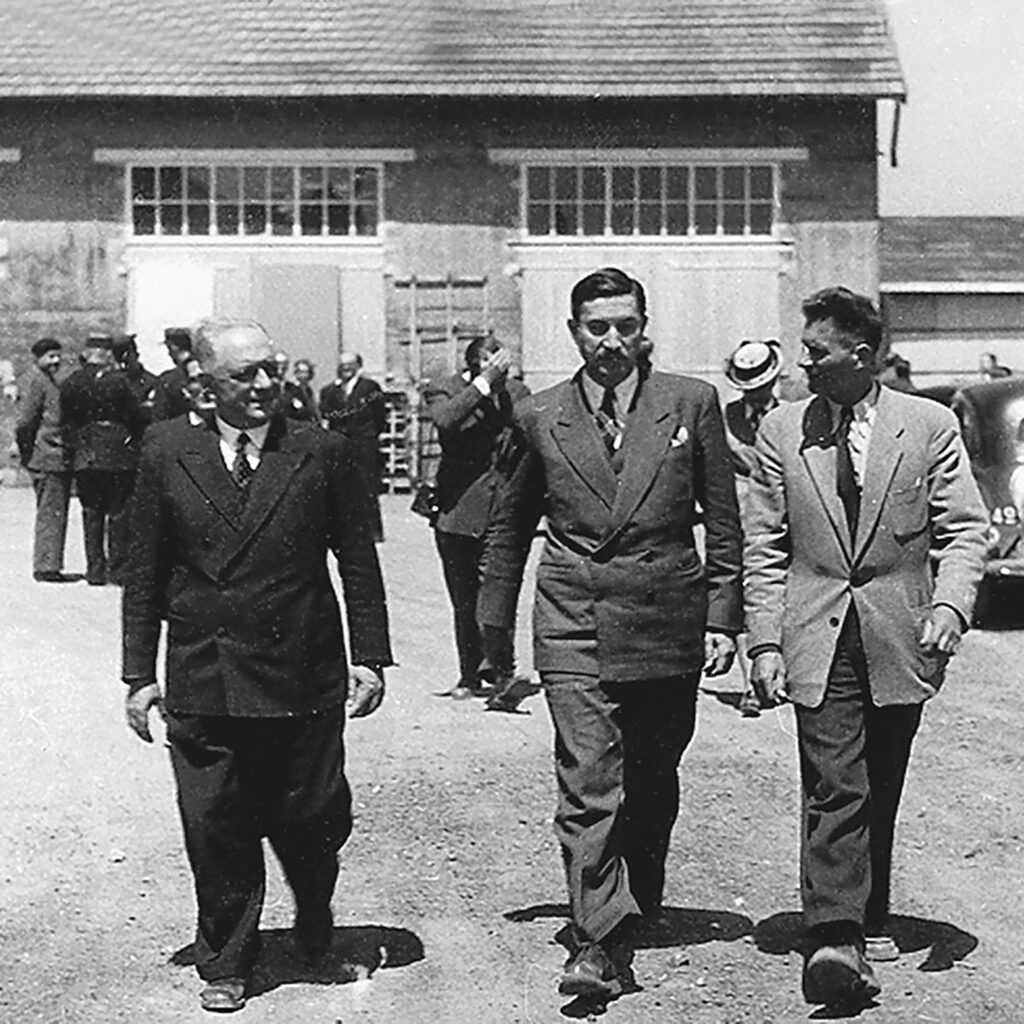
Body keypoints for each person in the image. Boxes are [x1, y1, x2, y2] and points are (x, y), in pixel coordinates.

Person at [479, 268, 742, 1000]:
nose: (613, 341)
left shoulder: (692, 404)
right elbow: (506, 529)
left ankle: (638, 896)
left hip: (666, 617)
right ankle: (597, 940)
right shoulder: (539, 416)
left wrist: (725, 618)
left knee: (651, 782)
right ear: (574, 333)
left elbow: (722, 520)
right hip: (575, 618)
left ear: (643, 327)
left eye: (625, 325)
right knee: (590, 780)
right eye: (597, 327)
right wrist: (492, 636)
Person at [121, 317, 393, 1013]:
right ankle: (227, 956)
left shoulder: (321, 451)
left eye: (270, 370)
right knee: (215, 821)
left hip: (302, 669)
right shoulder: (164, 449)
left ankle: (313, 916)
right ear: (203, 387)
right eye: (245, 375)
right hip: (205, 669)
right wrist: (138, 674)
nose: (265, 385)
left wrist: (370, 657)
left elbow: (357, 561)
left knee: (313, 815)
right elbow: (144, 568)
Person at [743, 287, 988, 1010]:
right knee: (835, 780)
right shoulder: (783, 431)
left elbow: (965, 530)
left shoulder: (929, 425)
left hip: (900, 633)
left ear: (861, 354)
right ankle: (834, 935)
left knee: (879, 776)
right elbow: (764, 546)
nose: (803, 363)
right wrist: (763, 641)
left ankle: (868, 907)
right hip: (814, 630)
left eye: (816, 352)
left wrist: (950, 604)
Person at [422, 336, 532, 703]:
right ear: (474, 363)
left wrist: (500, 389)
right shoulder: (445, 389)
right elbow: (447, 421)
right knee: (464, 598)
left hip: (504, 508)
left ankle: (503, 674)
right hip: (457, 510)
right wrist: (483, 384)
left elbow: (528, 435)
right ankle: (470, 674)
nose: (500, 368)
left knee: (497, 593)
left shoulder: (517, 392)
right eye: (489, 361)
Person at [722, 338, 783, 718]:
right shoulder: (726, 417)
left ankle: (777, 674)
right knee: (746, 593)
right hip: (740, 515)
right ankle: (749, 685)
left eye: (762, 383)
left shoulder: (792, 414)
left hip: (782, 513)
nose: (757, 391)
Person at [60, 333, 145, 586]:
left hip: (85, 451)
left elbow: (66, 419)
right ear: (107, 353)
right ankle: (117, 569)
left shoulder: (72, 381)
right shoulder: (118, 382)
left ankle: (95, 570)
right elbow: (137, 415)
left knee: (91, 511)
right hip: (118, 451)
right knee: (118, 512)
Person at [15, 337, 73, 582]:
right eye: (50, 356)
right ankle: (46, 566)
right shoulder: (36, 381)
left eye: (58, 355)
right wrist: (29, 452)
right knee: (52, 512)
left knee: (54, 511)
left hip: (49, 455)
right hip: (48, 455)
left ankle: (49, 563)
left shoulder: (47, 380)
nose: (56, 361)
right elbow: (25, 422)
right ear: (37, 358)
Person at [320, 352, 387, 541]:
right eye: (342, 365)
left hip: (364, 444)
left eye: (349, 365)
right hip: (340, 444)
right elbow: (326, 413)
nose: (345, 369)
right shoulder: (331, 390)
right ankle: (342, 532)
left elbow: (379, 416)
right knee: (339, 488)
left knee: (367, 487)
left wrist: (369, 435)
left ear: (358, 366)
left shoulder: (370, 387)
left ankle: (372, 532)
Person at [151, 326, 194, 421]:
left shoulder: (167, 380)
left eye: (169, 348)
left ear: (174, 347)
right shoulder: (210, 373)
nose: (169, 354)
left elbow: (159, 415)